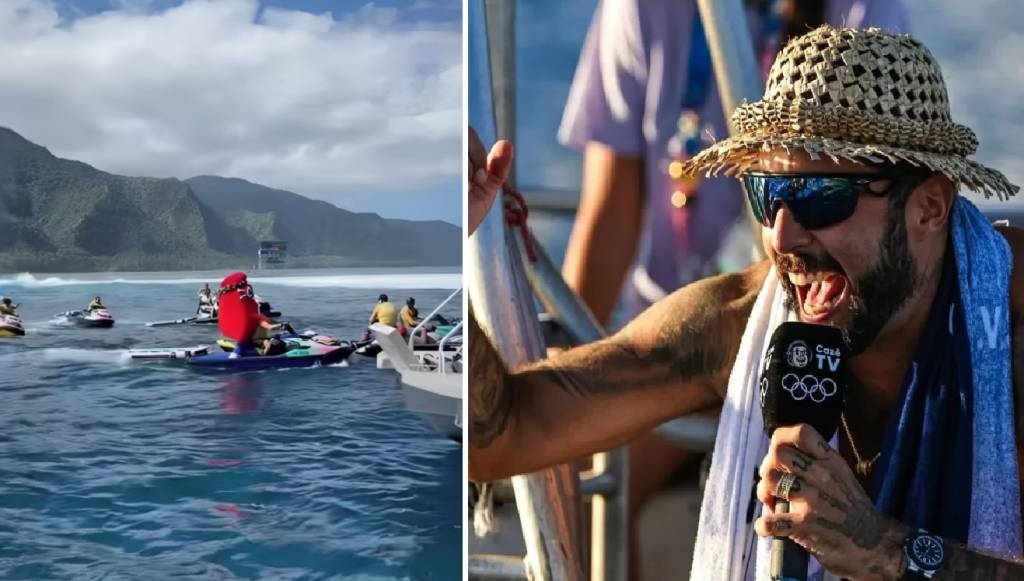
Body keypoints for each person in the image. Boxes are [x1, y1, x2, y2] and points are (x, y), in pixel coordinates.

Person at [470, 26, 1024, 578]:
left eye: (819, 197)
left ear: (928, 208)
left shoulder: (1010, 331)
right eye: (769, 195)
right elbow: (505, 435)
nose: (782, 237)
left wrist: (884, 551)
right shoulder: (737, 326)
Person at [558, 2, 910, 572]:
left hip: (817, 335)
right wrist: (572, 362)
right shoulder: (641, 9)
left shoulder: (861, 10)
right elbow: (610, 211)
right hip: (677, 330)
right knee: (574, 481)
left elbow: (883, 199)